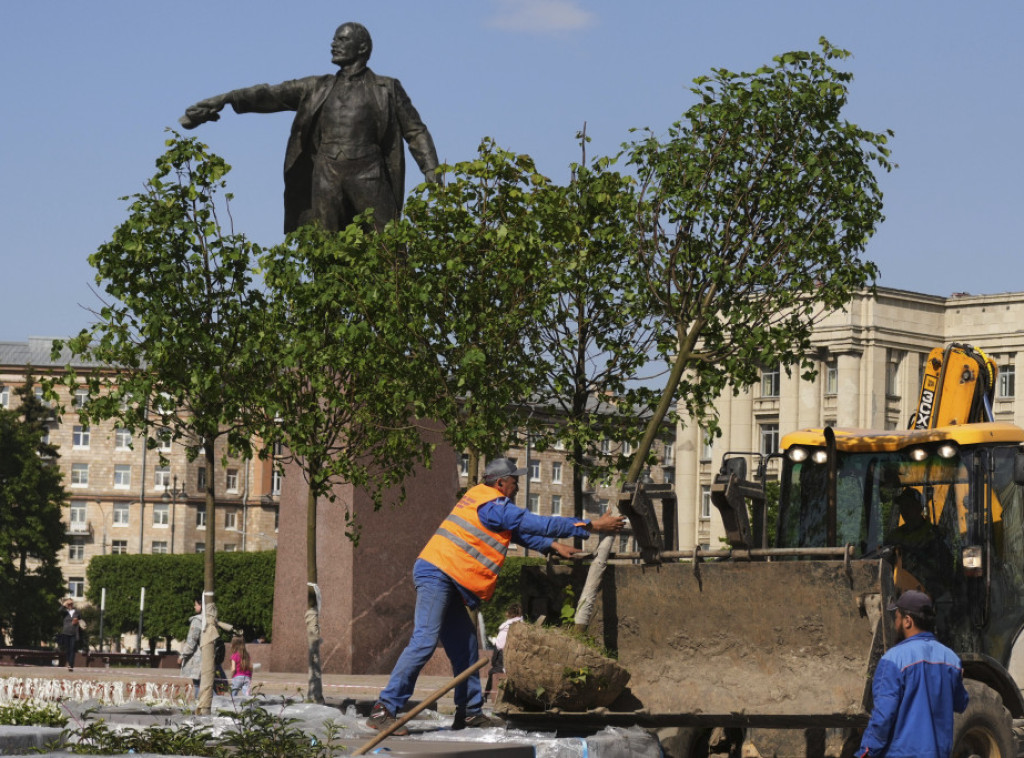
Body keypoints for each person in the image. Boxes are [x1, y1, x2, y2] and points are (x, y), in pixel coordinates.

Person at [366, 458, 627, 735]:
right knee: (424, 641)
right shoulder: (492, 504)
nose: (517, 486)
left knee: (466, 648)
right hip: (439, 573)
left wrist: (551, 546)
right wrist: (592, 526)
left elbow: (516, 533)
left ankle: (469, 713)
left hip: (449, 578)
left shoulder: (485, 502)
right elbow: (535, 523)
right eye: (515, 481)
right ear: (501, 482)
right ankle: (384, 709)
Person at [181, 22, 439, 234]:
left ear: (362, 47)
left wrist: (431, 169)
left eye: (341, 39)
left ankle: (398, 295)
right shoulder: (317, 87)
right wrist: (224, 99)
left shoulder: (388, 88)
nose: (333, 44)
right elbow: (270, 94)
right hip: (327, 175)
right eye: (334, 39)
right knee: (326, 249)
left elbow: (415, 131)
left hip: (370, 173)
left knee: (390, 244)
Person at [857, 590, 969, 757]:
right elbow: (961, 704)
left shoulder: (893, 660)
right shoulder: (951, 660)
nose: (895, 623)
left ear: (907, 621)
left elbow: (883, 717)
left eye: (897, 617)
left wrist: (866, 752)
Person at [884, 488, 953, 597]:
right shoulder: (894, 537)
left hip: (928, 595)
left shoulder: (934, 536)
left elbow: (945, 572)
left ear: (919, 507)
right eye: (902, 506)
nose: (905, 510)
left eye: (909, 505)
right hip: (898, 594)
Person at [485, 603, 523, 699]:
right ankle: (486, 694)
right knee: (494, 671)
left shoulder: (509, 625)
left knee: (494, 671)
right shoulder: (518, 624)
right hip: (502, 651)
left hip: (502, 652)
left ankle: (487, 694)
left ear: (509, 613)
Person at [57, 598, 81, 672]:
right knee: (67, 649)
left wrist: (77, 621)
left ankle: (71, 665)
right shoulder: (65, 612)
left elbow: (80, 619)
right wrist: (64, 604)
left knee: (72, 649)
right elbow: (59, 611)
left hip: (74, 633)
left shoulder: (77, 612)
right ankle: (69, 662)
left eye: (71, 604)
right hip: (66, 632)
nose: (70, 605)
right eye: (69, 604)